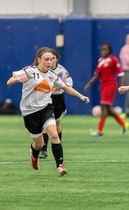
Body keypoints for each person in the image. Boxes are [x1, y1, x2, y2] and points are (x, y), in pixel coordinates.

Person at [6, 47, 90, 176]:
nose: (49, 62)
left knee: (54, 135)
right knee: (39, 144)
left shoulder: (52, 75)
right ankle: (34, 154)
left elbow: (66, 87)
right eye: (46, 59)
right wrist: (16, 80)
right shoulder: (29, 71)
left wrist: (80, 96)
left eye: (51, 59)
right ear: (39, 59)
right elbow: (9, 81)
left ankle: (60, 166)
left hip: (46, 108)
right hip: (29, 112)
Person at [84, 43, 129, 136]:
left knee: (104, 106)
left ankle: (99, 130)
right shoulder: (100, 60)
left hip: (111, 84)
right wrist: (89, 84)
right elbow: (97, 75)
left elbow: (120, 74)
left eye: (106, 49)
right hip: (103, 85)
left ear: (110, 51)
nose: (104, 51)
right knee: (108, 108)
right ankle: (124, 124)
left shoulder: (113, 60)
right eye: (102, 50)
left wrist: (121, 86)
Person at [39, 49, 73, 159]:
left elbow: (68, 84)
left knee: (57, 124)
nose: (51, 61)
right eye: (49, 59)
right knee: (46, 125)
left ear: (56, 59)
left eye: (53, 58)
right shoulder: (42, 70)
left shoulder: (61, 71)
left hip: (58, 99)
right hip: (46, 98)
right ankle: (43, 150)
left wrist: (56, 88)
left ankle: (58, 143)